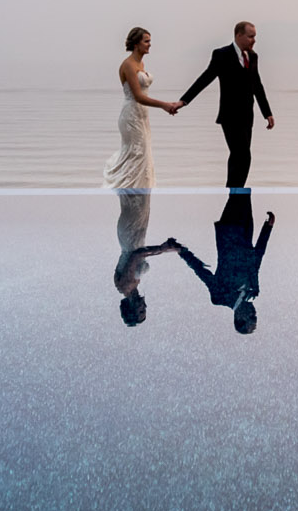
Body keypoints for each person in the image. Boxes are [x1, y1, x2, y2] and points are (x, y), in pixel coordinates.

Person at [177, 20, 274, 189]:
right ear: (239, 35)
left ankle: (235, 191)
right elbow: (205, 78)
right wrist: (183, 101)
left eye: (255, 37)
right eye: (250, 36)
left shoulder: (253, 57)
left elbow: (257, 85)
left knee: (243, 156)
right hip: (229, 116)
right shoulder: (222, 54)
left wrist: (267, 113)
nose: (254, 40)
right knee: (240, 154)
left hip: (247, 116)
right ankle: (234, 193)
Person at [172, 192, 275, 334]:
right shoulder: (253, 291)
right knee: (243, 191)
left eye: (252, 317)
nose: (254, 312)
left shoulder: (219, 296)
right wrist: (267, 229)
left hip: (229, 231)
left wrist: (181, 251)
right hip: (246, 231)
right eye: (255, 316)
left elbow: (201, 272)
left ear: (239, 317)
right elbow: (257, 259)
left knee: (238, 189)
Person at [105, 26, 184, 191]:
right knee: (137, 155)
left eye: (150, 41)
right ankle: (130, 194)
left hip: (142, 116)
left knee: (144, 155)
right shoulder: (128, 65)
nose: (149, 45)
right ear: (136, 44)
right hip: (131, 115)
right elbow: (138, 97)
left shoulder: (141, 63)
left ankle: (141, 194)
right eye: (146, 41)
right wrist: (165, 105)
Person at [111, 189, 177, 327]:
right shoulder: (129, 287)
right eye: (144, 310)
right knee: (138, 192)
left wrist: (162, 249)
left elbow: (136, 254)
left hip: (131, 235)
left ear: (132, 310)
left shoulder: (127, 286)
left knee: (140, 192)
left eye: (141, 310)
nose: (145, 306)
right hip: (133, 235)